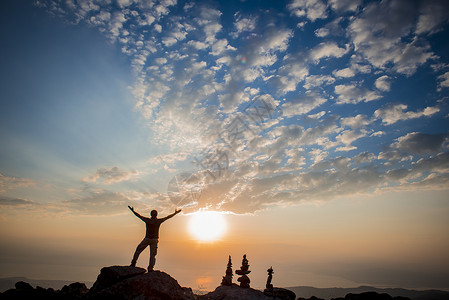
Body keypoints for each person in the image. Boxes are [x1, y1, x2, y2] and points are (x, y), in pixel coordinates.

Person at [128, 206, 181, 271]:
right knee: (152, 255)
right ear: (156, 215)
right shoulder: (158, 221)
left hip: (147, 239)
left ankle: (133, 263)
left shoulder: (147, 220)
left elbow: (138, 216)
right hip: (154, 240)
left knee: (138, 250)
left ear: (151, 214)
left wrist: (133, 211)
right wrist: (175, 213)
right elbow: (167, 217)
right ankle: (150, 268)